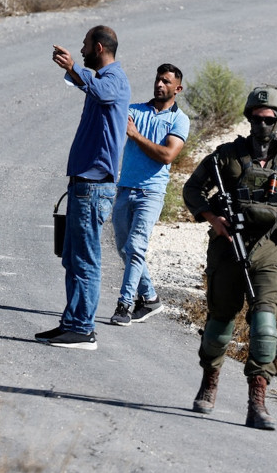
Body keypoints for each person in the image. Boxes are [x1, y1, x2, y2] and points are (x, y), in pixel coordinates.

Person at [182, 85, 277, 430]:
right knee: (220, 323)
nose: (262, 125)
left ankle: (257, 402)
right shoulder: (226, 156)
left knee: (265, 325)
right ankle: (209, 382)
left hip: (271, 248)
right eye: (256, 118)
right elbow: (192, 189)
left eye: (269, 119)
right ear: (249, 118)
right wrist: (213, 218)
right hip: (228, 246)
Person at [35, 25, 131, 350]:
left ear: (99, 48)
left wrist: (74, 67)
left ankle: (83, 328)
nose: (82, 49)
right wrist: (73, 70)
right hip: (83, 186)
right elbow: (90, 88)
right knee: (72, 259)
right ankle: (71, 323)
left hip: (93, 188)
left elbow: (102, 92)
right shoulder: (103, 80)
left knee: (86, 260)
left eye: (85, 45)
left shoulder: (115, 79)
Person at [110, 63, 190, 327]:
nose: (159, 84)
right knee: (124, 249)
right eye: (158, 79)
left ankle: (124, 305)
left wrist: (135, 135)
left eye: (166, 81)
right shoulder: (135, 110)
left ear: (177, 88)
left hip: (151, 193)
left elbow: (167, 155)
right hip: (125, 189)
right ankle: (151, 298)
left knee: (136, 247)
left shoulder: (179, 120)